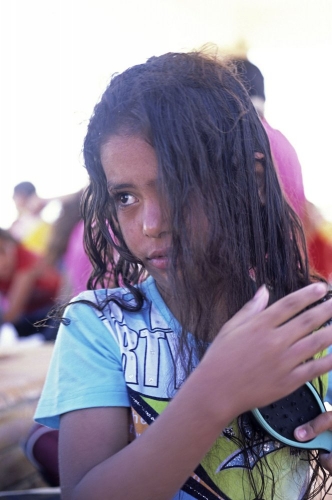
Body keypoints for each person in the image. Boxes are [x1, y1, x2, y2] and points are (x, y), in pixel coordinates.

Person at [34, 51, 332, 500]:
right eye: (125, 197)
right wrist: (215, 393)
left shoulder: (310, 324)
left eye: (175, 184)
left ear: (248, 182)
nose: (152, 223)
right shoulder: (101, 330)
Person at [0, 228, 62, 339]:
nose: (2, 260)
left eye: (3, 251)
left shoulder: (26, 260)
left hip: (52, 309)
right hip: (29, 314)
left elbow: (13, 313)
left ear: (13, 246)